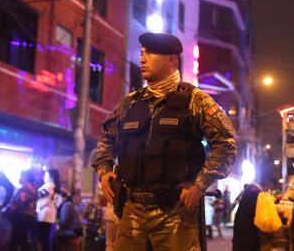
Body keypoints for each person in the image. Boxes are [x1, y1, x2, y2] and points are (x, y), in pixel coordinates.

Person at [92, 32, 237, 250]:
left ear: (171, 59)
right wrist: (104, 170)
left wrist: (199, 186)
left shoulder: (195, 100)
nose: (142, 58)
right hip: (131, 210)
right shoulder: (131, 102)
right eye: (141, 53)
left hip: (174, 212)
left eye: (149, 53)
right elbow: (107, 137)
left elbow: (226, 144)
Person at [7, 169, 38, 251]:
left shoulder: (27, 186)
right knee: (23, 240)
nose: (20, 178)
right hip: (30, 217)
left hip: (22, 216)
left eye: (21, 176)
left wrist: (8, 210)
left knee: (15, 240)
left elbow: (20, 201)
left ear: (25, 177)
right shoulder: (33, 187)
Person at [37, 169, 60, 251]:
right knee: (46, 238)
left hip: (44, 215)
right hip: (49, 215)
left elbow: (38, 194)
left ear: (51, 177)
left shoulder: (49, 186)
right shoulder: (54, 186)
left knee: (43, 239)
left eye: (46, 175)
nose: (44, 177)